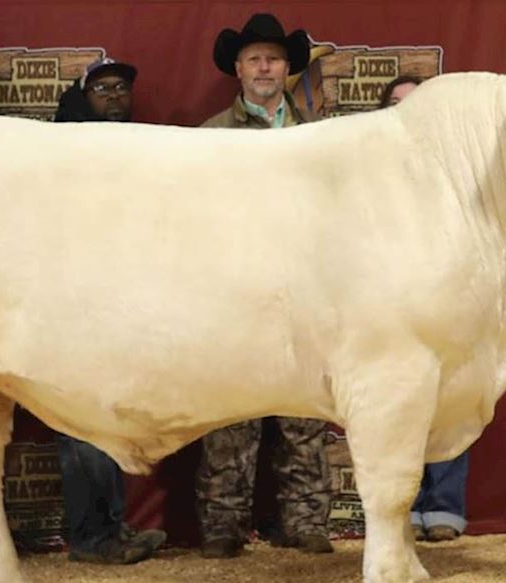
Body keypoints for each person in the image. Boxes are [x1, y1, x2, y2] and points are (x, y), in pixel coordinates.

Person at [194, 12, 333, 559]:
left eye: (273, 58)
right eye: (254, 58)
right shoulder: (209, 137)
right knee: (230, 413)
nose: (264, 67)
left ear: (287, 69)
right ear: (238, 67)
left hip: (306, 293)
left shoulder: (320, 139)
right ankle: (222, 524)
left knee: (305, 415)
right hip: (234, 294)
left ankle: (304, 519)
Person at [48, 56, 169, 564]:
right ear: (82, 98)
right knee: (81, 424)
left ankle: (107, 531)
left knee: (107, 420)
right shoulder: (59, 155)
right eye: (102, 89)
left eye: (121, 87)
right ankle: (91, 537)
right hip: (68, 303)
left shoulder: (140, 149)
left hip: (119, 303)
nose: (115, 96)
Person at [376, 74, 469, 543]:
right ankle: (403, 510)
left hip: (442, 299)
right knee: (394, 407)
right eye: (395, 103)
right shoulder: (366, 170)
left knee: (448, 399)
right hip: (388, 308)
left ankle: (445, 507)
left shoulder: (458, 172)